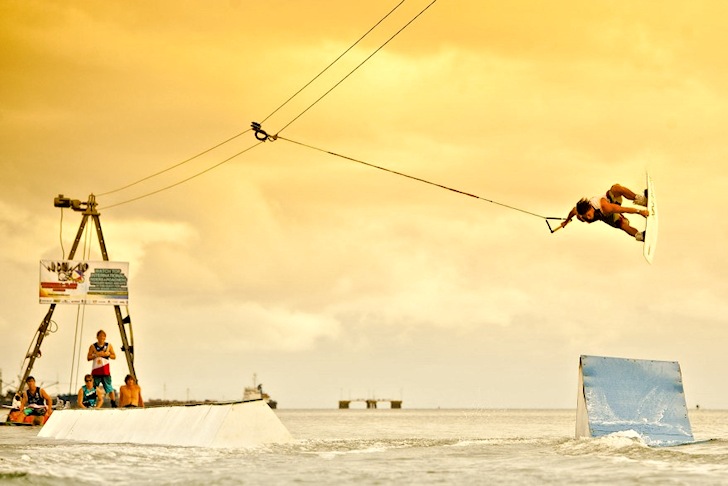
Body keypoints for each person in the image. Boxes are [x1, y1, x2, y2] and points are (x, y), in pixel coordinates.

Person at [560, 183, 649, 240]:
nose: (588, 217)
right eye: (585, 217)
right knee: (622, 224)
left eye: (588, 214)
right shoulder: (581, 215)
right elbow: (573, 211)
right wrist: (566, 221)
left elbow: (623, 209)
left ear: (590, 208)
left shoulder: (603, 206)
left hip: (610, 203)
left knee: (616, 188)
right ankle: (639, 236)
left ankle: (641, 200)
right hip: (607, 217)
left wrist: (639, 211)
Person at [88, 329, 117, 407]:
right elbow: (88, 357)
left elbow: (114, 356)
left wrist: (107, 355)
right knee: (93, 387)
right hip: (96, 370)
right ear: (97, 337)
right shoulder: (93, 346)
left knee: (109, 387)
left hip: (105, 370)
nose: (102, 338)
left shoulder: (108, 346)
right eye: (100, 337)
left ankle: (113, 402)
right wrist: (96, 355)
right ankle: (91, 402)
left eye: (103, 337)